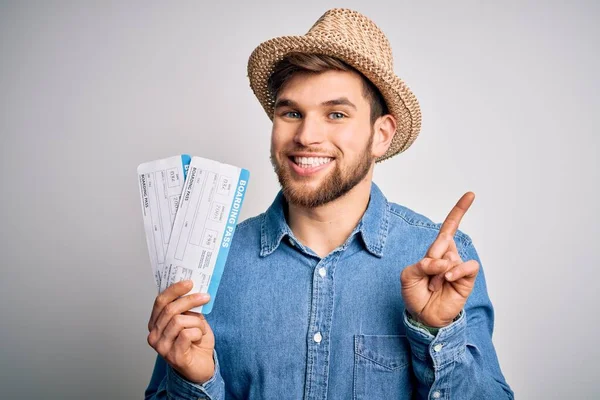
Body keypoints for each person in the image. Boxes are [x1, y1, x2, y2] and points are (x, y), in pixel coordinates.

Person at [145, 8, 513, 400]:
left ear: (381, 134)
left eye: (335, 114)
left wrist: (439, 335)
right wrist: (194, 382)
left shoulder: (442, 262)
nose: (306, 135)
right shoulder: (211, 263)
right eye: (291, 113)